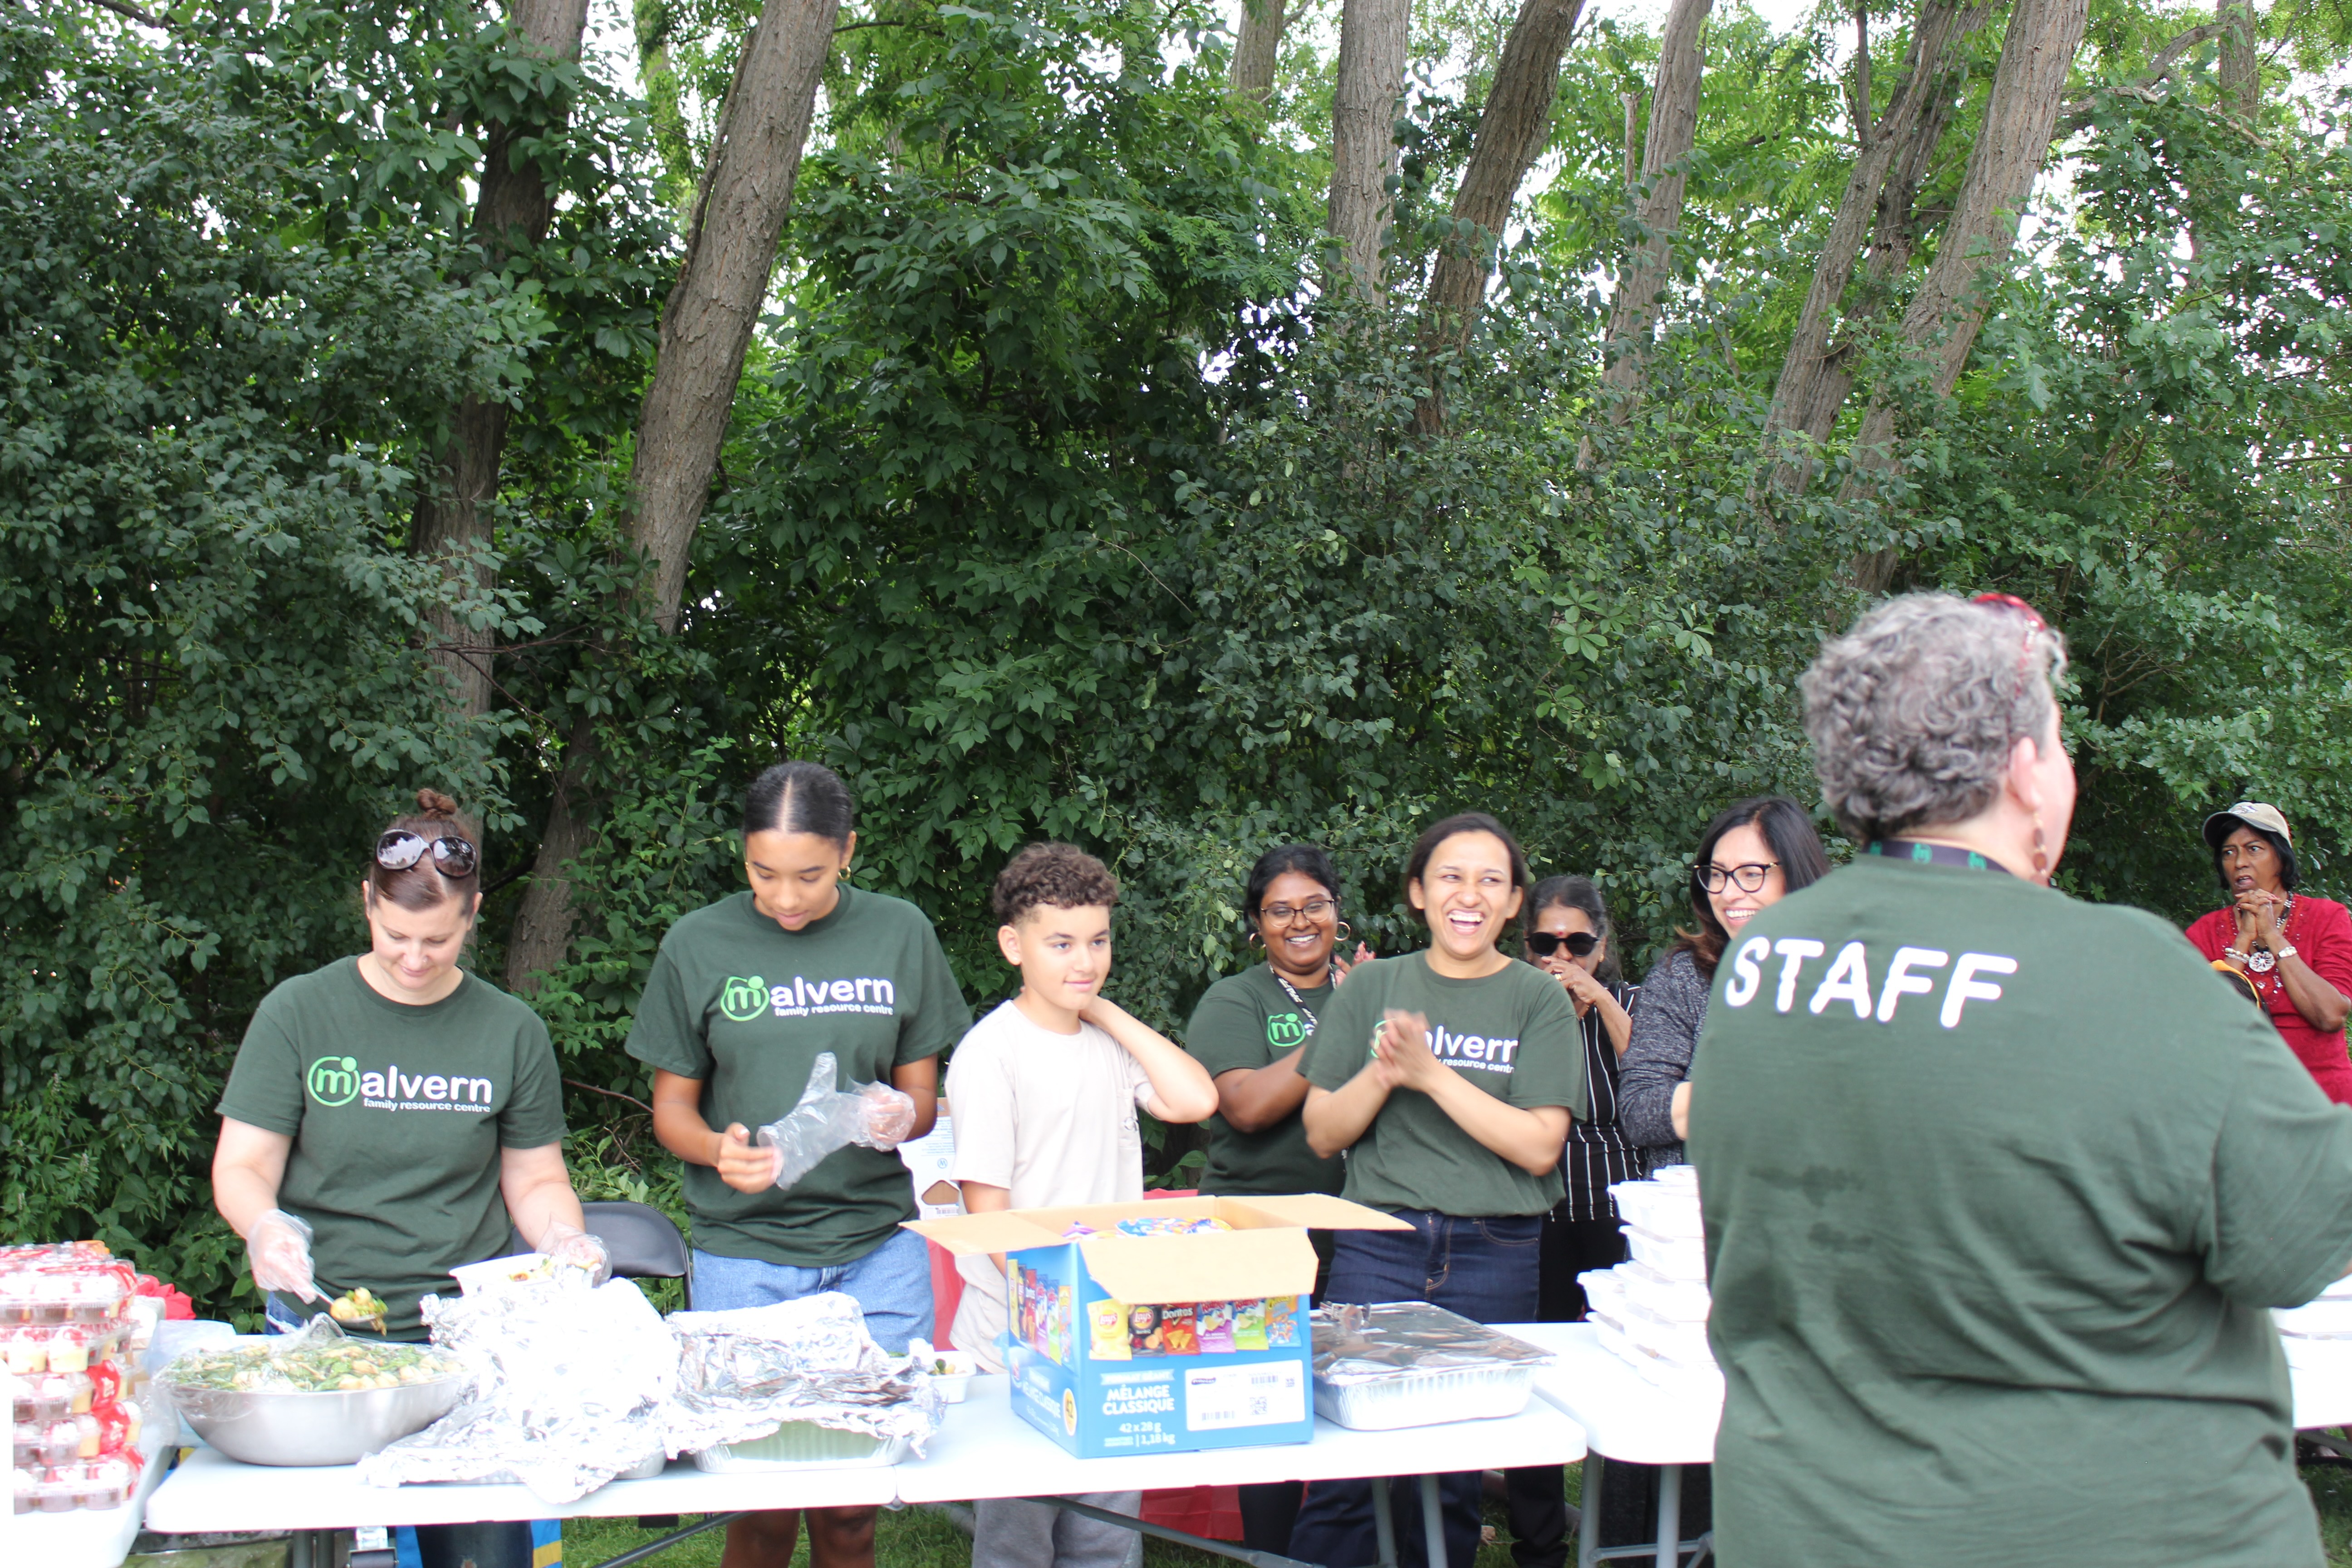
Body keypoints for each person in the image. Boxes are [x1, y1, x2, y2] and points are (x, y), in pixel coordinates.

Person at [1689, 591, 2352, 1566]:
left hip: (1815, 1528)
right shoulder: (2122, 967)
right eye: (2058, 738)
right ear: (2023, 770)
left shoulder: (1767, 956)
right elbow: (2298, 1237)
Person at [214, 789, 604, 1568]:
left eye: (437, 938)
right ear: (366, 901)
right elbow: (244, 1166)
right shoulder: (299, 1012)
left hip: (468, 1339)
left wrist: (564, 1238)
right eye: (396, 935)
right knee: (334, 1553)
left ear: (473, 914)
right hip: (324, 1337)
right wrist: (264, 1225)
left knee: (484, 1553)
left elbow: (534, 1178)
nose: (415, 958)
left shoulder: (510, 1030)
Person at [630, 761, 969, 1568]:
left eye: (809, 876)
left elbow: (923, 1094)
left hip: (877, 1252)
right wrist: (719, 1150)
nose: (784, 897)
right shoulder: (698, 943)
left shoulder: (898, 932)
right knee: (763, 1506)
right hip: (745, 1256)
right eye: (763, 873)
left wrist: (900, 1114)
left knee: (853, 1508)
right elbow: (670, 1110)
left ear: (848, 851)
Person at [1292, 812, 1587, 1568]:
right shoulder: (1375, 987)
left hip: (1495, 1252)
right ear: (1417, 892)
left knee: (1449, 1475)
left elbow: (1537, 1143)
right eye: (1450, 877)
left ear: (1514, 900)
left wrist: (1430, 1074)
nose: (1469, 895)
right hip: (1378, 1244)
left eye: (1490, 880)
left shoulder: (1537, 999)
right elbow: (1323, 1132)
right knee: (1346, 1469)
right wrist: (1384, 1071)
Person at [946, 842, 1218, 1568]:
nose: (1085, 960)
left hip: (1108, 1327)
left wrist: (1104, 1010)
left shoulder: (1107, 1040)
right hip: (1018, 1339)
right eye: (1061, 943)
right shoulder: (989, 1054)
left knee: (1106, 1534)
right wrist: (1060, 1303)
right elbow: (986, 1221)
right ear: (1014, 945)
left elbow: (1196, 1098)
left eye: (1098, 941)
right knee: (1021, 1539)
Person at [1181, 843, 1369, 1557]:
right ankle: (1275, 1555)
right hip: (1258, 1236)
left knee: (1352, 1401)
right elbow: (1248, 1106)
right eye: (1280, 911)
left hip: (1358, 1234)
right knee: (1270, 1407)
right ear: (1257, 927)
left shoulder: (1369, 991)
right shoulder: (1236, 999)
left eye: (1314, 905)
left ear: (1337, 914)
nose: (1300, 922)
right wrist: (1344, 1018)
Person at [1503, 874, 1639, 1568]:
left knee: (1629, 1382)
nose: (1562, 954)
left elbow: (1652, 1077)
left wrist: (1602, 1002)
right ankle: (1539, 1544)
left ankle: (1629, 1538)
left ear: (1601, 944)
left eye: (1577, 942)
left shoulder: (1634, 1002)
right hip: (1539, 1211)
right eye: (1546, 941)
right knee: (1537, 1376)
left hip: (1621, 1213)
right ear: (1526, 946)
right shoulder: (1512, 1007)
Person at [1617, 796, 1828, 1168]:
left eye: (1751, 873)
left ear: (1796, 874)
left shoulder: (1850, 975)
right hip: (1699, 1213)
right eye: (1717, 874)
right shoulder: (1684, 977)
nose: (1729, 894)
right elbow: (1640, 1110)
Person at [2185, 802, 2352, 1102]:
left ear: (2282, 858)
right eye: (2228, 852)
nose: (2239, 862)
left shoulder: (2328, 917)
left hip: (2323, 1102)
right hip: (2239, 1106)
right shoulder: (2204, 932)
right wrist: (2244, 940)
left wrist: (2273, 937)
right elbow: (2205, 1026)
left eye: (2254, 849)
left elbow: (2330, 1016)